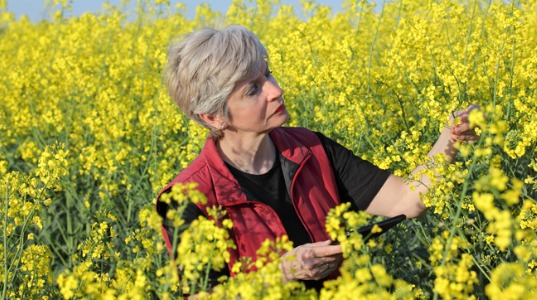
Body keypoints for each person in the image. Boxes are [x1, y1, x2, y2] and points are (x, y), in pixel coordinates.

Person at [155, 25, 480, 293]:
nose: (275, 90)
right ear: (213, 117)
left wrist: (449, 139)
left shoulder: (311, 149)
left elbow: (407, 201)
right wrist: (282, 272)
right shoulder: (187, 197)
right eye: (253, 89)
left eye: (268, 74)